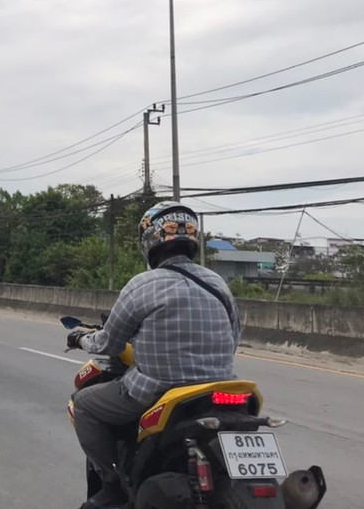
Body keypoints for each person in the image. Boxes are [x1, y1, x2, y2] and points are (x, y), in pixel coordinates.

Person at [64, 202, 242, 509]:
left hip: (158, 389)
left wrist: (81, 338)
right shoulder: (217, 283)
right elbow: (234, 335)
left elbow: (109, 343)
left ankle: (112, 486)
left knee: (83, 405)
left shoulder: (143, 285)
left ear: (149, 240)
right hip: (219, 388)